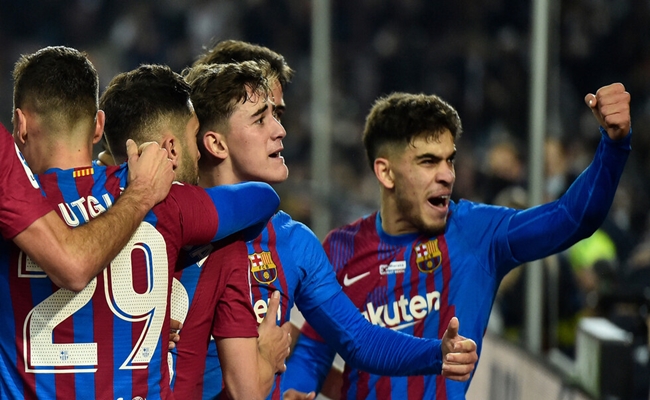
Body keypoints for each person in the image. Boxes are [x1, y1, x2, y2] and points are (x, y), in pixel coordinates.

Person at [286, 84, 632, 398]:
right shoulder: (341, 247)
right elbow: (314, 350)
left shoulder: (477, 234)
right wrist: (297, 390)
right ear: (386, 172)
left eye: (449, 159)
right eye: (428, 161)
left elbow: (571, 218)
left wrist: (614, 145)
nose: (447, 175)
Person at [179, 51, 478, 399]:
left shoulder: (293, 242)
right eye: (260, 120)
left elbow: (358, 339)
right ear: (216, 143)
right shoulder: (167, 225)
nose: (280, 130)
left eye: (276, 116)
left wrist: (437, 353)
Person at [1, 46, 280, 400]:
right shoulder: (158, 194)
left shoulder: (12, 211)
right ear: (98, 126)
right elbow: (262, 198)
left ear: (21, 126)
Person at [2, 63, 174, 291]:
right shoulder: (157, 185)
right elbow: (73, 267)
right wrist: (142, 191)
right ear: (99, 125)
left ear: (21, 125)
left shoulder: (13, 185)